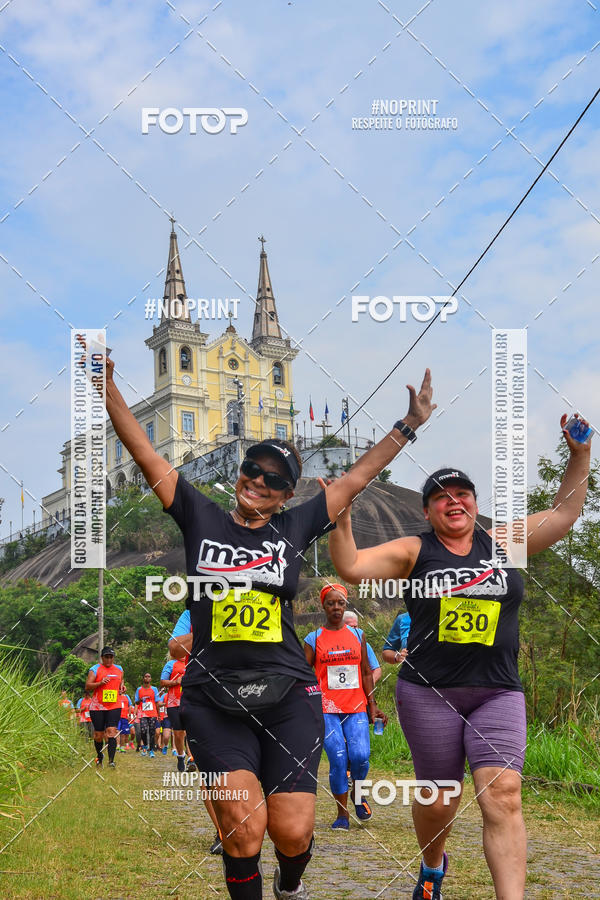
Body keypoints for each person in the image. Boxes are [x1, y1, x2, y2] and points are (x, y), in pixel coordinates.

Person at [100, 336, 434, 900]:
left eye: (275, 480)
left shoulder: (295, 527)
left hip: (287, 695)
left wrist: (409, 423)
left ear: (286, 496)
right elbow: (146, 455)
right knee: (241, 829)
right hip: (214, 696)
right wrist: (108, 391)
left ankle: (290, 886)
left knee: (293, 830)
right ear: (240, 473)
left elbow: (355, 479)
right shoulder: (200, 516)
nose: (259, 481)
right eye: (252, 469)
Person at [328, 415, 592, 900]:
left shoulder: (503, 541)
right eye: (441, 497)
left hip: (498, 691)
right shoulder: (414, 550)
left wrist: (579, 455)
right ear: (427, 512)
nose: (454, 500)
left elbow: (565, 513)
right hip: (430, 693)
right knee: (438, 798)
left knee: (504, 796)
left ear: (474, 504)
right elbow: (349, 566)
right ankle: (432, 866)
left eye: (462, 493)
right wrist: (342, 517)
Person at [304, 584, 386, 830]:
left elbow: (366, 673)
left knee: (360, 756)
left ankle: (357, 795)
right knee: (338, 759)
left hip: (356, 706)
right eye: (331, 603)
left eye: (341, 603)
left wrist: (373, 706)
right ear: (324, 606)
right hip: (326, 709)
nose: (336, 607)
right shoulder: (314, 638)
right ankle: (342, 814)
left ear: (345, 605)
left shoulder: (358, 636)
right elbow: (302, 675)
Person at [85, 647, 124, 768]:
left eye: (111, 657)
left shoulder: (119, 669)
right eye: (106, 657)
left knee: (112, 732)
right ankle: (99, 756)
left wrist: (122, 687)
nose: (109, 659)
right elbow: (87, 686)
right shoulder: (95, 669)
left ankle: (111, 761)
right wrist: (100, 683)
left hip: (114, 705)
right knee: (98, 735)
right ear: (102, 657)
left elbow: (120, 682)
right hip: (98, 707)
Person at [342, 610, 382, 683]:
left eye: (355, 626)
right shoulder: (333, 646)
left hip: (359, 690)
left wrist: (368, 686)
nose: (354, 630)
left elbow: (377, 670)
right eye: (351, 627)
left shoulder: (365, 646)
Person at [135, 673, 160, 758]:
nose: (147, 678)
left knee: (152, 731)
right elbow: (136, 702)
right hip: (143, 713)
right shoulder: (139, 689)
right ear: (143, 678)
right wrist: (140, 699)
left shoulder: (154, 689)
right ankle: (145, 746)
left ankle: (151, 750)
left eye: (149, 676)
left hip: (152, 713)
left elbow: (157, 702)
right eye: (145, 676)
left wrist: (159, 714)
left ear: (151, 679)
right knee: (143, 731)